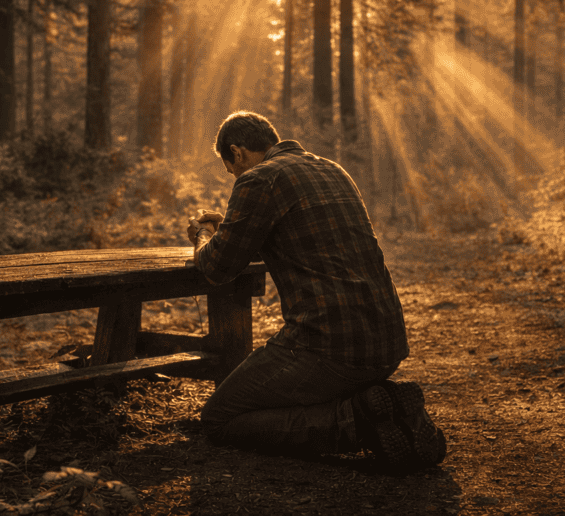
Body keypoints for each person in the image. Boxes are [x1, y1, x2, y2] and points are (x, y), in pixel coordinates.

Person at [186, 111, 446, 474]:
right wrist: (232, 227)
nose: (235, 177)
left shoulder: (259, 179)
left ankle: (355, 421)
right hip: (387, 344)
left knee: (219, 417)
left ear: (237, 152)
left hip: (328, 348)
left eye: (232, 170)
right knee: (278, 396)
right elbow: (296, 237)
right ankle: (384, 405)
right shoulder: (333, 170)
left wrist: (202, 235)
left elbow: (217, 267)